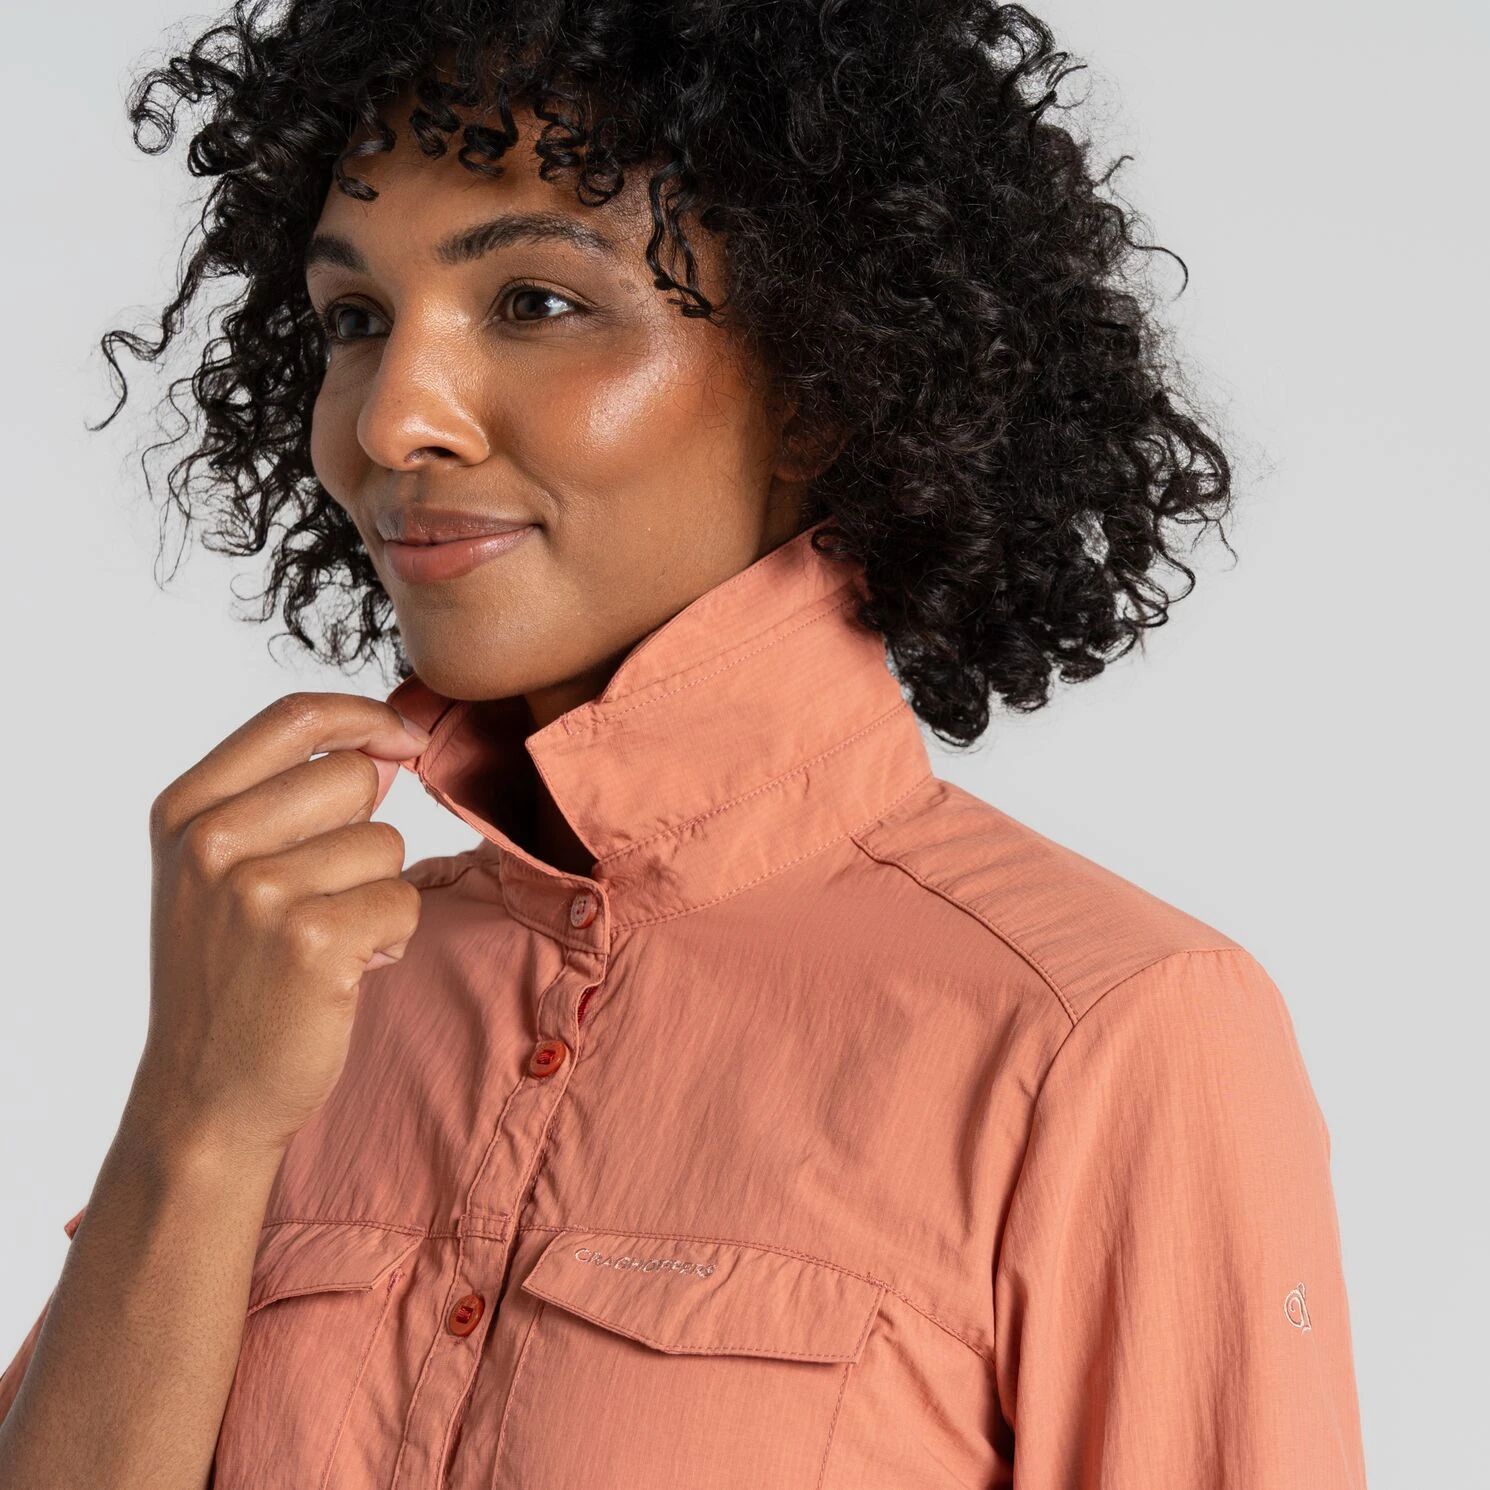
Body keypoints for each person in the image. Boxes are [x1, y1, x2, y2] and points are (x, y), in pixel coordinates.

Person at [0, 2, 1369, 1487]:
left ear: (822, 381)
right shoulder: (303, 994)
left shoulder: (1100, 1036)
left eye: (535, 302)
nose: (392, 423)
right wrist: (196, 1120)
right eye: (354, 320)